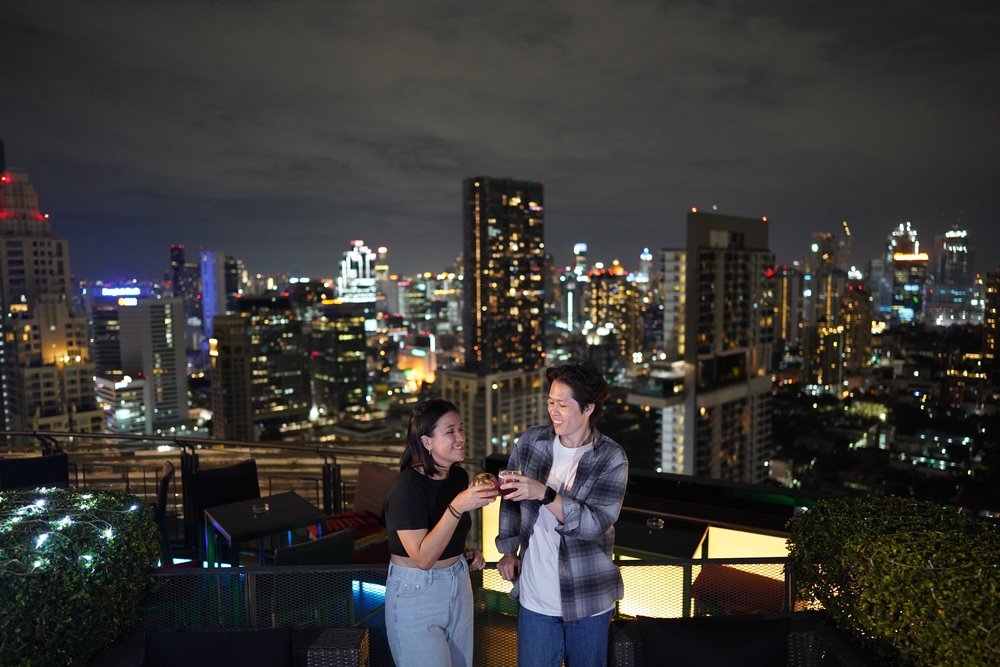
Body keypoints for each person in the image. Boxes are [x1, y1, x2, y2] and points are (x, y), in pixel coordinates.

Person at [496, 361, 628, 667]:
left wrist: (544, 493)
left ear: (588, 408)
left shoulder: (610, 457)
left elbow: (595, 523)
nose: (553, 411)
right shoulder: (532, 441)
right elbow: (511, 500)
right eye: (550, 402)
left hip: (588, 597)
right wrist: (508, 550)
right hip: (535, 597)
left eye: (563, 404)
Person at [384, 398, 499, 667]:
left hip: (458, 581)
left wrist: (466, 552)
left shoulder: (457, 477)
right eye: (450, 432)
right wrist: (457, 506)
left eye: (460, 429)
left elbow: (450, 534)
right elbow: (423, 559)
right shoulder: (407, 488)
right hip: (415, 592)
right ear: (427, 442)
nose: (460, 437)